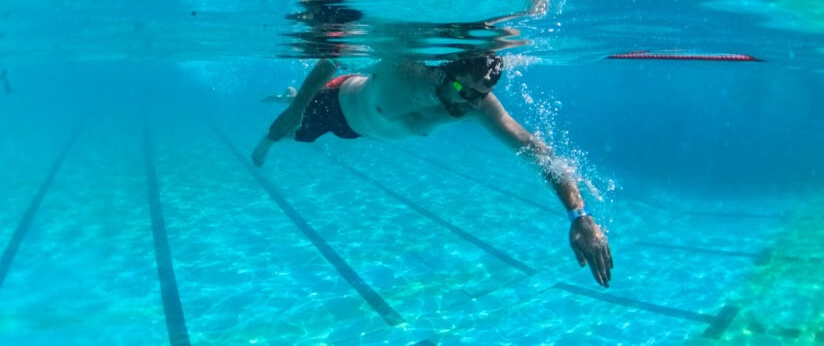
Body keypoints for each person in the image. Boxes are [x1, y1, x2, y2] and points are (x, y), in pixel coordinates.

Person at [252, 56, 613, 287]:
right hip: (334, 103)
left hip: (363, 128)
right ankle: (288, 104)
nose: (465, 102)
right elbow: (332, 55)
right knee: (281, 130)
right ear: (444, 71)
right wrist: (299, 108)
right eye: (460, 88)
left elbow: (537, 151)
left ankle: (290, 99)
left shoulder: (475, 105)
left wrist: (579, 215)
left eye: (477, 95)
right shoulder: (402, 70)